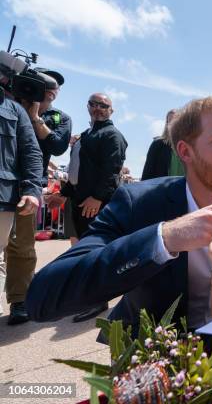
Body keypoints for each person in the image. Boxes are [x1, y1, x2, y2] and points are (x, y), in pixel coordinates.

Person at [26, 96, 212, 339]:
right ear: (185, 151)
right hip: (160, 354)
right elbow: (43, 297)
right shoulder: (139, 203)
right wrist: (164, 238)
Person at [45, 92, 127, 322]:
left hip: (96, 205)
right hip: (80, 202)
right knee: (82, 251)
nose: (99, 108)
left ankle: (97, 300)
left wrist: (98, 198)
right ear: (88, 106)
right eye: (94, 104)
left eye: (104, 105)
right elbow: (76, 172)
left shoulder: (112, 135)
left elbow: (111, 171)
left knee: (96, 252)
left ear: (111, 110)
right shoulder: (85, 136)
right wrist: (62, 194)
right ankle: (87, 295)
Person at [3, 68, 69, 325]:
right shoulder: (6, 104)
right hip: (3, 179)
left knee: (21, 245)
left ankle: (19, 299)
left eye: (51, 87)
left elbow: (57, 146)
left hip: (25, 186)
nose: (46, 90)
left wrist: (32, 117)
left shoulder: (58, 117)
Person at [0, 85, 43, 322]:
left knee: (21, 248)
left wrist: (32, 189)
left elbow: (32, 152)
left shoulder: (16, 111)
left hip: (13, 193)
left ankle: (19, 299)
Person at [141, 109, 185, 180]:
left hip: (182, 189)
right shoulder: (157, 144)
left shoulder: (189, 147)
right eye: (169, 121)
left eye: (175, 121)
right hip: (163, 189)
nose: (172, 124)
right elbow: (147, 173)